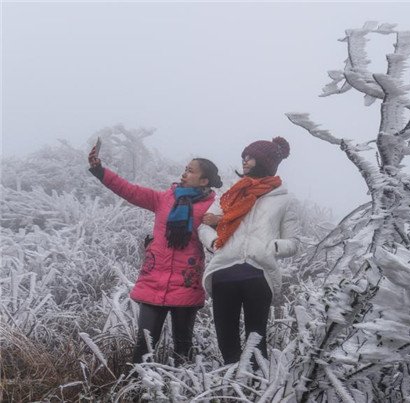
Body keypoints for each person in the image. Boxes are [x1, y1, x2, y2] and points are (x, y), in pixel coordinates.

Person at [88, 145, 222, 364]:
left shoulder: (212, 209)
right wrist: (100, 170)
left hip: (186, 283)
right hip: (154, 281)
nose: (184, 173)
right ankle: (136, 383)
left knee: (183, 348)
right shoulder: (164, 199)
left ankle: (180, 383)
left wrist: (218, 222)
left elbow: (227, 230)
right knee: (144, 344)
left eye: (190, 171)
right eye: (185, 169)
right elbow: (129, 190)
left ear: (204, 181)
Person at [199, 136, 299, 365]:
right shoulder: (232, 192)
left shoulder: (284, 199)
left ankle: (255, 383)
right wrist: (214, 243)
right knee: (227, 343)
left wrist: (271, 247)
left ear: (265, 161)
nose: (245, 160)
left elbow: (293, 243)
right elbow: (204, 225)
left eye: (251, 157)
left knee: (256, 345)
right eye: (244, 156)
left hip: (258, 275)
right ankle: (231, 384)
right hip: (223, 271)